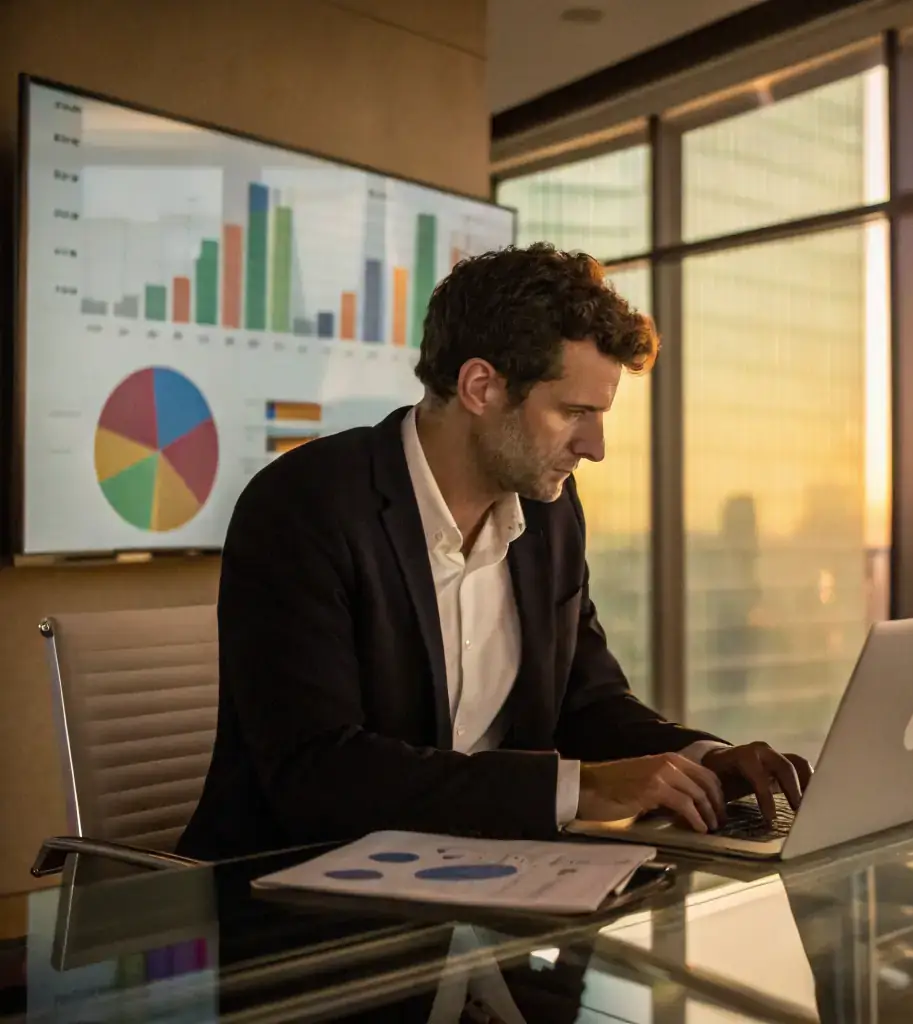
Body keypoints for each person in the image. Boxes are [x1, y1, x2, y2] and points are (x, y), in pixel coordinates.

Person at [178, 243, 811, 861]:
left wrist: (701, 758)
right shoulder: (306, 506)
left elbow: (583, 701)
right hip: (289, 907)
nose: (595, 447)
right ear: (481, 387)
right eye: (573, 412)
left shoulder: (550, 512)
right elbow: (318, 773)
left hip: (481, 886)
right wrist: (579, 789)